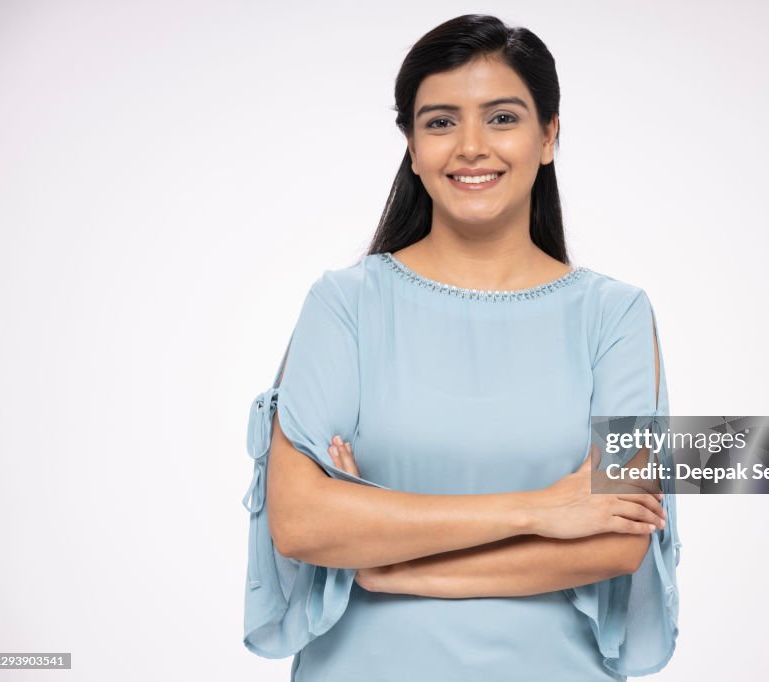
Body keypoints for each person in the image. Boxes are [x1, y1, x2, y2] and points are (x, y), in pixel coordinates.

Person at [241, 14, 681, 681]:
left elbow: (618, 539)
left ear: (548, 137)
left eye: (502, 118)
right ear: (413, 148)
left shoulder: (614, 315)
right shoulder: (346, 304)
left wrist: (395, 563)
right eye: (441, 122)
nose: (471, 146)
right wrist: (543, 508)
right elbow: (301, 522)